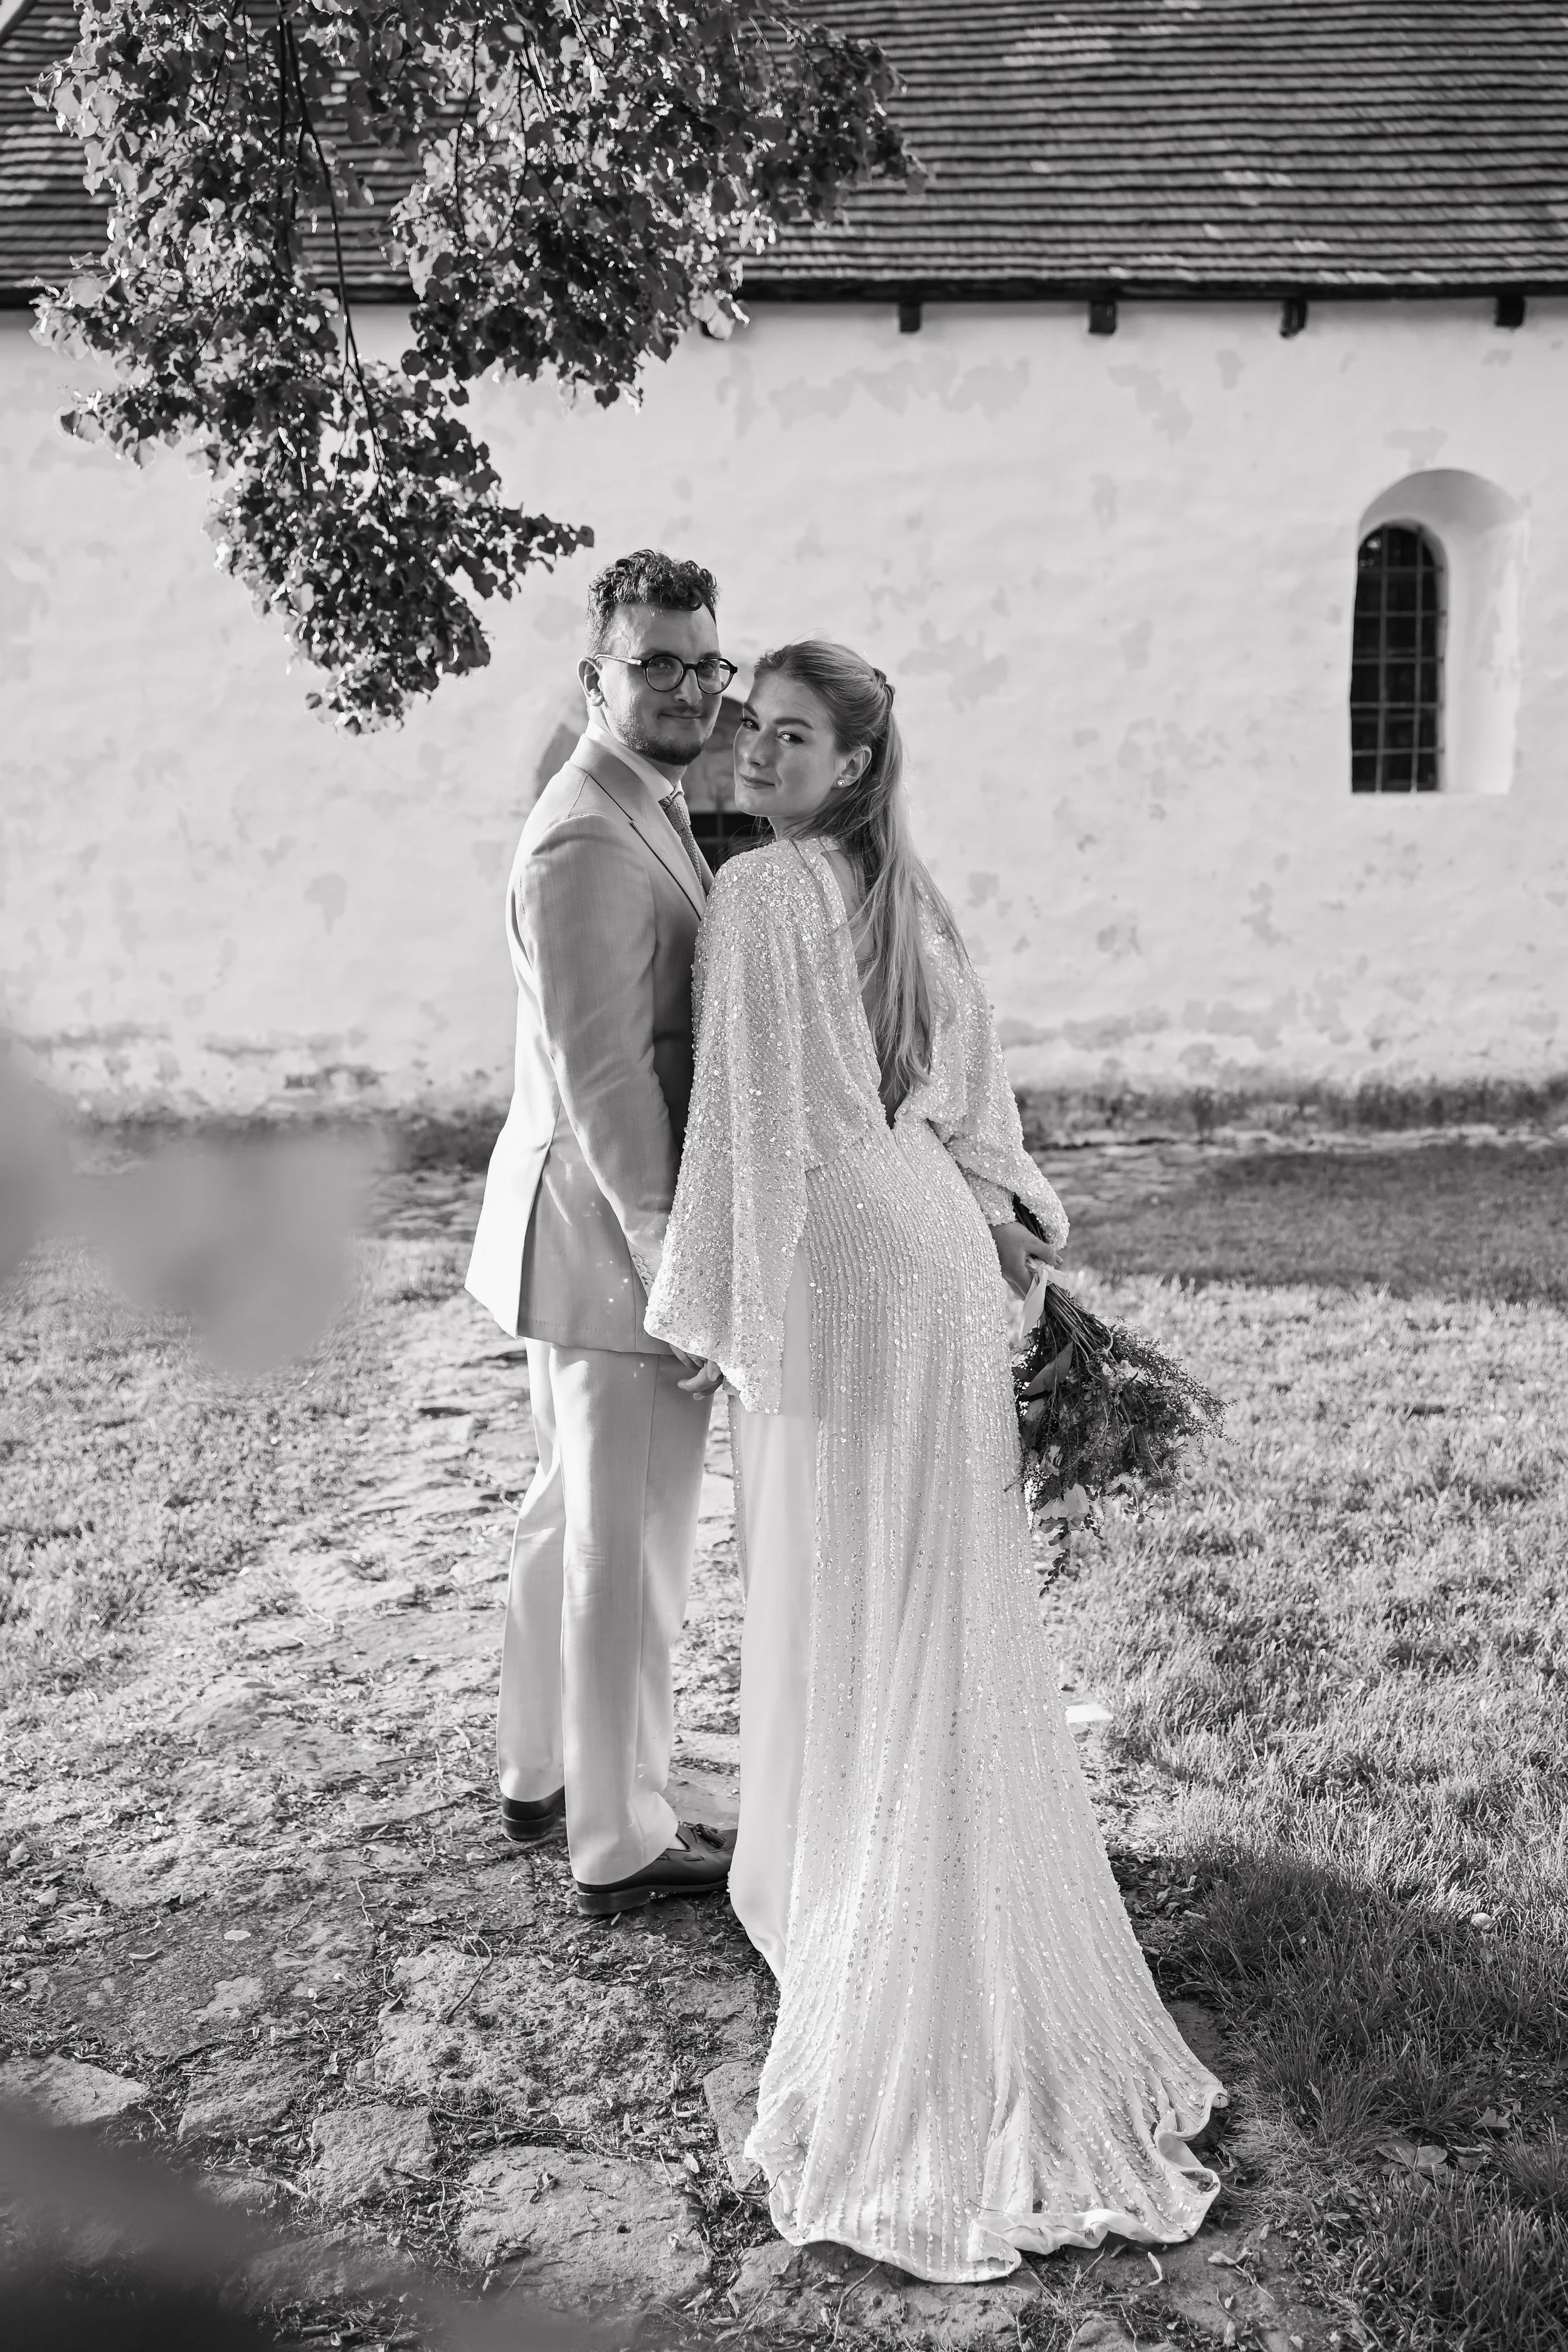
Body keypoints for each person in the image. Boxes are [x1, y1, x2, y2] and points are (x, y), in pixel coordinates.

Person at [644, 641, 1224, 2282]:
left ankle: (866, 1903)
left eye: (791, 733)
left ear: (848, 758)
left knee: (843, 1584)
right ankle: (908, 1869)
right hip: (932, 1256)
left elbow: (749, 1133)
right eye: (750, 726)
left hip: (842, 1264)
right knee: (937, 1596)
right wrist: (1004, 1222)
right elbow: (971, 1094)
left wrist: (716, 1307)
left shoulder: (760, 894)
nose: (757, 750)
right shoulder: (904, 887)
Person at [464, 549, 739, 1917]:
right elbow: (606, 1076)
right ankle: (621, 1838)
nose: (687, 686)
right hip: (609, 1248)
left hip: (574, 1240)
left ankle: (538, 1772)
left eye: (704, 662)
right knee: (628, 1544)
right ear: (597, 675)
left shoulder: (647, 802)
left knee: (569, 1519)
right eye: (656, 664)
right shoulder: (585, 831)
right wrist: (677, 1272)